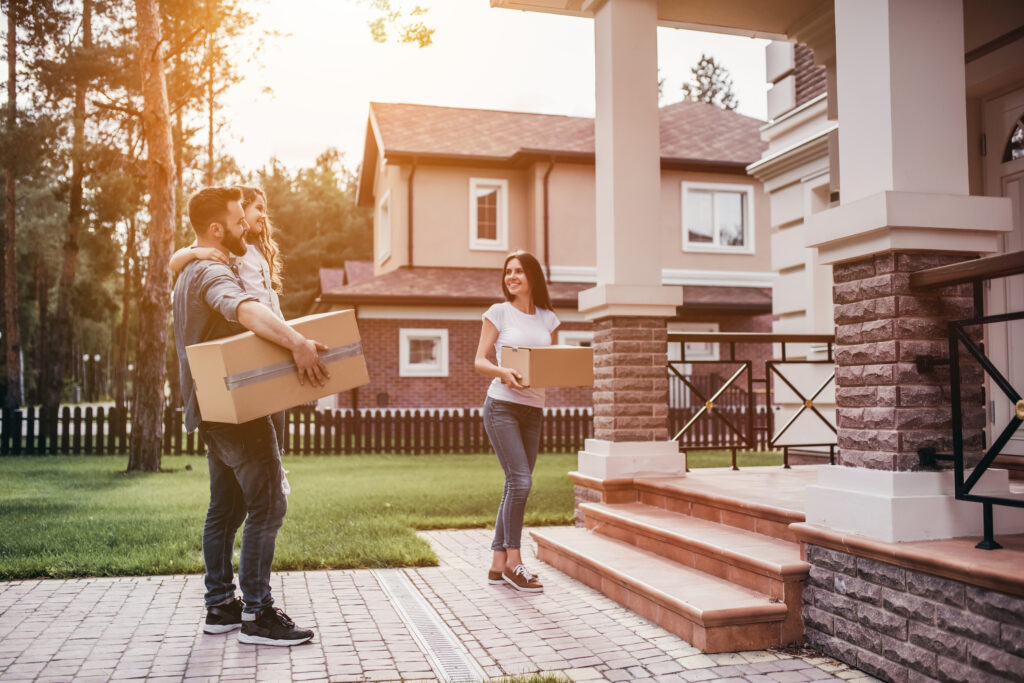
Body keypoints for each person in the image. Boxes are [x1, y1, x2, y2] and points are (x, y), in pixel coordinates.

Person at [172, 186, 327, 646]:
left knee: (227, 507)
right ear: (217, 228)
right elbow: (243, 308)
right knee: (267, 504)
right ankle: (258, 614)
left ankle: (220, 606)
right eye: (240, 222)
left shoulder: (188, 271)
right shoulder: (211, 273)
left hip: (210, 407)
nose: (248, 227)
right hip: (236, 411)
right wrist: (298, 343)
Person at [170, 186, 287, 454]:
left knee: (277, 422)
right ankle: (275, 473)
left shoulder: (256, 251)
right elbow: (174, 261)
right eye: (257, 208)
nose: (262, 216)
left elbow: (270, 302)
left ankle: (278, 466)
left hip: (272, 334)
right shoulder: (228, 250)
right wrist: (195, 253)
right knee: (264, 427)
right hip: (254, 335)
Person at [474, 250, 559, 593]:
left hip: (533, 409)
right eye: (508, 272)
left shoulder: (548, 319)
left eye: (519, 271)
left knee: (515, 484)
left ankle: (497, 565)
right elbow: (480, 361)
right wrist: (503, 372)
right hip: (502, 406)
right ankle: (514, 561)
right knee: (521, 482)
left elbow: (548, 364)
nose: (511, 277)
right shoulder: (498, 313)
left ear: (532, 277)